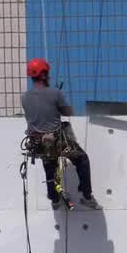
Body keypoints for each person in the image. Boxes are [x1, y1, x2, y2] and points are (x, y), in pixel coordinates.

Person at [21, 58, 99, 210]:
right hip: (57, 142)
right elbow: (67, 112)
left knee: (50, 165)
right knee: (82, 159)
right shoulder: (54, 93)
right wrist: (58, 100)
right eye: (47, 73)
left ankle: (55, 200)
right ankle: (86, 196)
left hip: (37, 143)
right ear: (43, 75)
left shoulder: (24, 97)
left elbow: (39, 112)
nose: (48, 76)